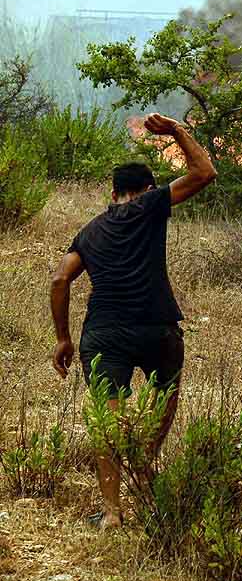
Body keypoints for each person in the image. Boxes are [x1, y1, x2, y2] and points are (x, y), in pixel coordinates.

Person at [49, 114, 217, 529]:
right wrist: (177, 131)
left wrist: (63, 339)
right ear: (145, 190)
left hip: (103, 334)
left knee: (108, 420)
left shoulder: (89, 232)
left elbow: (59, 278)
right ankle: (145, 460)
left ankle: (111, 512)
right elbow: (205, 172)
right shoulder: (150, 204)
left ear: (112, 193)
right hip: (157, 328)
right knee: (165, 398)